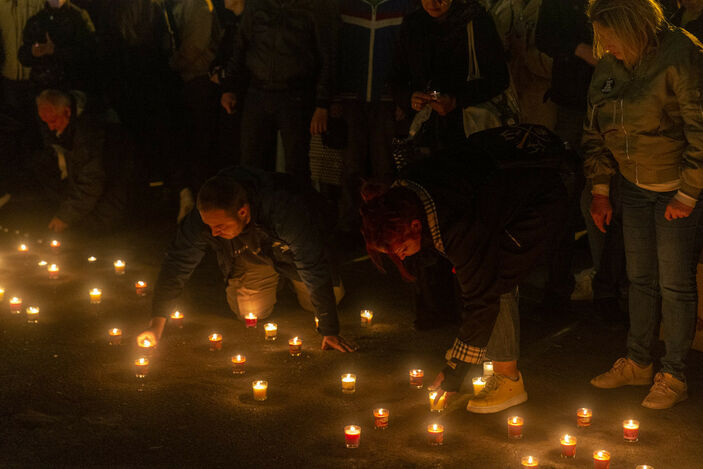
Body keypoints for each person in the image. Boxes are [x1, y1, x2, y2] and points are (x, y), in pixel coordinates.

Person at [360, 125, 568, 413]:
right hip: (502, 199)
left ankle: (508, 379)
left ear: (415, 226)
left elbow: (481, 298)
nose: (401, 257)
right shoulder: (406, 198)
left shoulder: (453, 225)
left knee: (497, 279)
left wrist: (455, 371)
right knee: (480, 277)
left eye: (399, 248)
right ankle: (495, 358)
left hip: (539, 200)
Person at [585, 0, 703, 409]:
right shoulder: (611, 64)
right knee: (640, 279)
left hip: (675, 188)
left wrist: (688, 192)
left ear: (632, 26)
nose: (606, 48)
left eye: (610, 38)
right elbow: (595, 129)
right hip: (633, 185)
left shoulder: (681, 54)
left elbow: (700, 125)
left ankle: (673, 374)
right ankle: (638, 362)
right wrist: (601, 190)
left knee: (675, 283)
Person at [137, 167, 357, 353]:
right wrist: (156, 323)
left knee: (324, 302)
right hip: (251, 255)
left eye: (220, 226)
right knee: (250, 313)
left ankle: (292, 280)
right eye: (209, 226)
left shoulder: (284, 209)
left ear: (243, 212)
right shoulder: (205, 216)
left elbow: (311, 261)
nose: (213, 233)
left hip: (289, 254)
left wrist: (329, 330)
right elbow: (176, 264)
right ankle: (271, 279)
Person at [220, 0, 340, 182]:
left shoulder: (315, 7)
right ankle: (257, 208)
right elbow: (240, 46)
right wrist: (230, 88)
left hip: (295, 95)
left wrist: (322, 104)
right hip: (258, 92)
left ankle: (297, 208)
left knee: (296, 165)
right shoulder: (257, 5)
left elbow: (328, 56)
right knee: (250, 164)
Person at [333, 0, 416, 235]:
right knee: (351, 166)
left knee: (384, 166)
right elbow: (336, 50)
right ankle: (349, 225)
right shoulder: (347, 5)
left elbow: (408, 54)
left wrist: (402, 98)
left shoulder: (402, 7)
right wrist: (335, 96)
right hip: (352, 97)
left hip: (387, 99)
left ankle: (388, 224)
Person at [389, 0, 509, 152]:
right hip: (426, 132)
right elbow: (396, 77)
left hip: (470, 131)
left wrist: (455, 100)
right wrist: (410, 97)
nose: (433, 3)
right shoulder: (413, 25)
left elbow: (499, 78)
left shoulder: (476, 22)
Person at [33, 89, 136, 233]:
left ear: (68, 112)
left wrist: (65, 217)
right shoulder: (70, 126)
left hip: (111, 202)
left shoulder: (89, 134)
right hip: (93, 199)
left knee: (86, 235)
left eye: (53, 121)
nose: (50, 127)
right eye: (45, 122)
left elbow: (92, 180)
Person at [0, 0, 45, 201]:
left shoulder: (40, 4)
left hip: (36, 79)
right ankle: (13, 185)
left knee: (35, 132)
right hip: (8, 77)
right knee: (10, 135)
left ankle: (32, 187)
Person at [17, 0, 96, 93]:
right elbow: (23, 54)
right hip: (41, 90)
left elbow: (88, 54)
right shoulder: (37, 20)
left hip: (69, 90)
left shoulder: (78, 18)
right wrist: (33, 51)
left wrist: (56, 51)